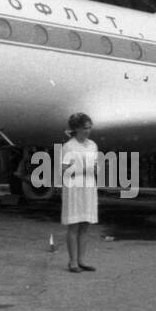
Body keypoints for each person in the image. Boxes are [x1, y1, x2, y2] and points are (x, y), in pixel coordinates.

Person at [60, 112, 99, 272]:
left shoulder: (92, 145)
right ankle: (73, 261)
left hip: (89, 188)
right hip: (74, 188)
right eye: (84, 128)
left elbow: (96, 166)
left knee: (85, 225)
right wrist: (84, 169)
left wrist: (96, 169)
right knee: (74, 226)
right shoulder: (69, 146)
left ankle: (82, 260)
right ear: (76, 129)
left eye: (89, 128)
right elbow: (64, 170)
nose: (87, 131)